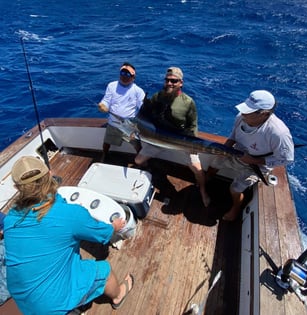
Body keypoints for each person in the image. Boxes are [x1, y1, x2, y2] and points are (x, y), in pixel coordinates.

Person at [3, 156, 134, 314]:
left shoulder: (10, 220)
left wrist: (70, 214)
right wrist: (114, 226)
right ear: (50, 174)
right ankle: (118, 296)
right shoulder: (70, 214)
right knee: (104, 270)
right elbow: (101, 233)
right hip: (51, 304)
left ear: (17, 187)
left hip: (22, 300)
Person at [205, 90, 294, 221]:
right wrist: (224, 149)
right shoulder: (241, 116)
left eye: (249, 111)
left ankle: (235, 209)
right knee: (214, 164)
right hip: (236, 153)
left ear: (264, 114)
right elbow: (233, 135)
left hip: (256, 166)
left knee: (235, 189)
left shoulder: (278, 133)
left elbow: (286, 159)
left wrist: (253, 160)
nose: (244, 113)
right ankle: (204, 183)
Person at [135, 67, 210, 207]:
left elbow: (192, 126)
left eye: (173, 81)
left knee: (198, 169)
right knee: (138, 161)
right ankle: (149, 171)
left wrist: (192, 146)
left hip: (180, 141)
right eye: (167, 80)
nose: (169, 83)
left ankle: (203, 191)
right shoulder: (158, 96)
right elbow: (148, 116)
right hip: (158, 139)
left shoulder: (188, 102)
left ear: (180, 83)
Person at [98, 62, 146, 161]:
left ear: (133, 77)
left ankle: (142, 161)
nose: (124, 76)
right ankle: (105, 155)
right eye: (122, 73)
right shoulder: (112, 85)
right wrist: (102, 106)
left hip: (129, 125)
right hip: (113, 123)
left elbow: (143, 109)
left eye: (128, 74)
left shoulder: (138, 91)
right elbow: (106, 101)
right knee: (107, 142)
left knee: (137, 145)